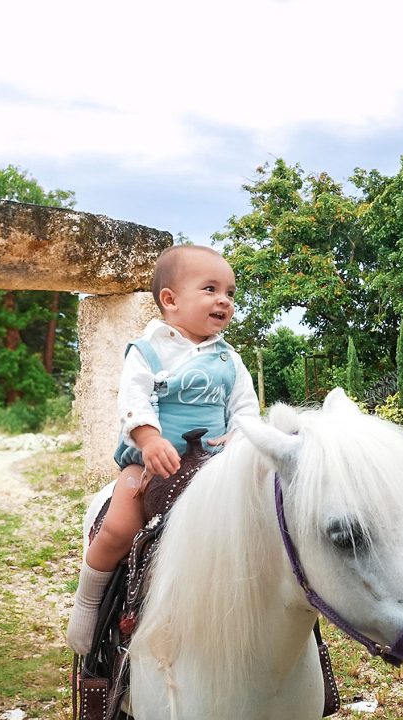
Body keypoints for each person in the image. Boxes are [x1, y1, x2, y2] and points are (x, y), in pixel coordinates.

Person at [66, 244, 260, 655]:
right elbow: (133, 401)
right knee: (119, 526)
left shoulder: (230, 359)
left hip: (214, 468)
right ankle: (87, 602)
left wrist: (242, 436)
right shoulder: (148, 351)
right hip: (151, 465)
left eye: (230, 292)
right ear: (170, 300)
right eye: (210, 289)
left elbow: (245, 408)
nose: (223, 299)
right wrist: (150, 439)